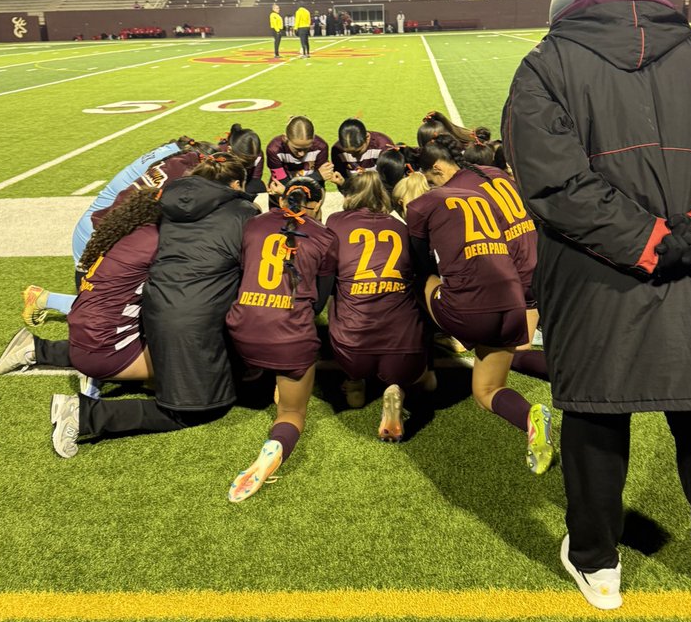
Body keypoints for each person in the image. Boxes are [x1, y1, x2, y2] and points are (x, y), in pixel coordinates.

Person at [504, 0, 691, 610]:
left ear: (565, 15)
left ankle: (598, 566)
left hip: (592, 276)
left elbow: (552, 182)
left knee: (594, 410)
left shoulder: (546, 64)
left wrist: (646, 241)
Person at [45, 153, 259, 458]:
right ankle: (86, 414)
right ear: (236, 184)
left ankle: (45, 353)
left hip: (148, 311)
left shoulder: (165, 204)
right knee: (198, 410)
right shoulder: (242, 212)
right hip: (176, 322)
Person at [405, 136, 553, 475]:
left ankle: (426, 349)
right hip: (541, 261)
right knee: (515, 346)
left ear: (438, 169)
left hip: (513, 276)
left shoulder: (444, 196)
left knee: (423, 282)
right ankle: (572, 377)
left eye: (431, 179)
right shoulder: (490, 171)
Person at [225, 176, 339, 500]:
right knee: (292, 413)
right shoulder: (325, 237)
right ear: (316, 202)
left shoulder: (254, 225)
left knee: (260, 345)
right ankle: (274, 447)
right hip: (289, 339)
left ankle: (253, 372)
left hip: (241, 329)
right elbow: (319, 302)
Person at [21, 136, 202, 325]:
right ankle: (44, 301)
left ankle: (47, 299)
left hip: (99, 223)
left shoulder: (169, 157)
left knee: (119, 302)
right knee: (112, 310)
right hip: (101, 230)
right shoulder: (176, 170)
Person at [0, 189, 162, 392]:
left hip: (88, 321)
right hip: (102, 344)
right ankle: (83, 411)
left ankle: (40, 347)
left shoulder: (126, 232)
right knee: (191, 365)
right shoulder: (153, 242)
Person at [326, 170, 432, 439]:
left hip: (352, 345)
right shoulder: (400, 227)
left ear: (349, 195)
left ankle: (354, 383)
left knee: (341, 293)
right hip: (403, 345)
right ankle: (398, 386)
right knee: (427, 381)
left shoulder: (336, 222)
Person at [265, 116, 334, 194]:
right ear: (285, 138)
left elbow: (319, 184)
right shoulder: (274, 149)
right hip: (280, 197)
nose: (302, 154)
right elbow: (281, 183)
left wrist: (287, 189)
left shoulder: (321, 147)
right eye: (297, 149)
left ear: (313, 139)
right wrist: (316, 176)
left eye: (306, 148)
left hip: (311, 196)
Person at [330, 119, 394, 179]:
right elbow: (343, 180)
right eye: (348, 152)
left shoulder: (383, 146)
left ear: (367, 138)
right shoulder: (338, 150)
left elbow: (390, 179)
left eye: (357, 151)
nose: (353, 156)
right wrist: (342, 183)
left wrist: (368, 177)